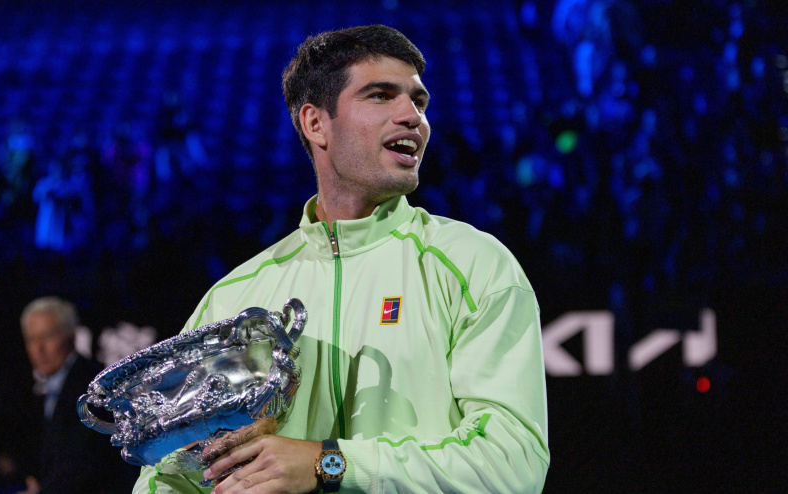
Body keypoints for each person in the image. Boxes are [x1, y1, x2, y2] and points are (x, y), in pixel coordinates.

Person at [135, 25, 549, 493]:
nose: (412, 116)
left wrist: (328, 463)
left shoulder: (474, 266)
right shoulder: (234, 297)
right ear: (316, 124)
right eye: (381, 95)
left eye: (418, 101)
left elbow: (513, 464)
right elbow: (167, 477)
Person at [20, 296, 136, 493]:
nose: (39, 349)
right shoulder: (44, 388)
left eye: (47, 337)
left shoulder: (93, 384)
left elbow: (84, 463)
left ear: (71, 336)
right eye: (32, 339)